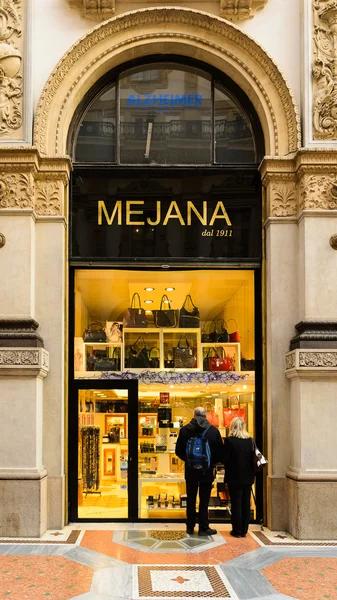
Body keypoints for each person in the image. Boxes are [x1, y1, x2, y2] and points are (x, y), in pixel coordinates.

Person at [175, 406, 223, 536]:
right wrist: (210, 462)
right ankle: (203, 527)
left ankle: (190, 526)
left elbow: (178, 451)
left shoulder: (184, 431)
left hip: (191, 471)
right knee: (204, 499)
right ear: (205, 415)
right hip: (206, 472)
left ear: (194, 415)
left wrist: (189, 461)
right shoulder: (213, 431)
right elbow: (220, 453)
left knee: (191, 498)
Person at [223, 417, 255, 538]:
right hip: (248, 477)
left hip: (234, 477)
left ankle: (236, 530)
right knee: (246, 503)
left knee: (236, 503)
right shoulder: (250, 440)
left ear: (232, 427)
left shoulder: (229, 441)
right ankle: (244, 530)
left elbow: (225, 459)